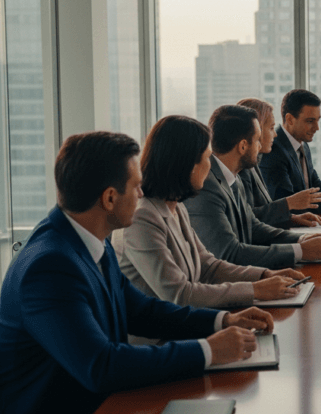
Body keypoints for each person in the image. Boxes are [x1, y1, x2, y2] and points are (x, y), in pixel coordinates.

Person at [0, 132, 273, 414]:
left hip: (98, 411)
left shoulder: (91, 241)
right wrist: (208, 350)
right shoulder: (50, 267)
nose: (142, 192)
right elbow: (102, 366)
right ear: (109, 198)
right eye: (136, 186)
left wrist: (222, 321)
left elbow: (142, 311)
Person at [114, 115, 307, 309]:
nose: (210, 165)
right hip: (160, 337)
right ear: (187, 164)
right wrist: (255, 290)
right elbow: (179, 294)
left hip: (189, 324)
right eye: (207, 157)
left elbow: (209, 266)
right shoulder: (143, 218)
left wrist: (264, 275)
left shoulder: (177, 206)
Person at [185, 104, 321, 269]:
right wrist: (299, 251)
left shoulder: (233, 176)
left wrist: (300, 239)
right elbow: (230, 253)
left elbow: (253, 226)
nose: (259, 146)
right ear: (243, 146)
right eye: (257, 139)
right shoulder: (206, 187)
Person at [236, 97, 321, 229]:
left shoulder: (253, 164)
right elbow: (248, 220)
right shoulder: (242, 170)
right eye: (271, 128)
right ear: (256, 130)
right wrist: (289, 204)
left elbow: (261, 213)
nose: (275, 135)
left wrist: (292, 219)